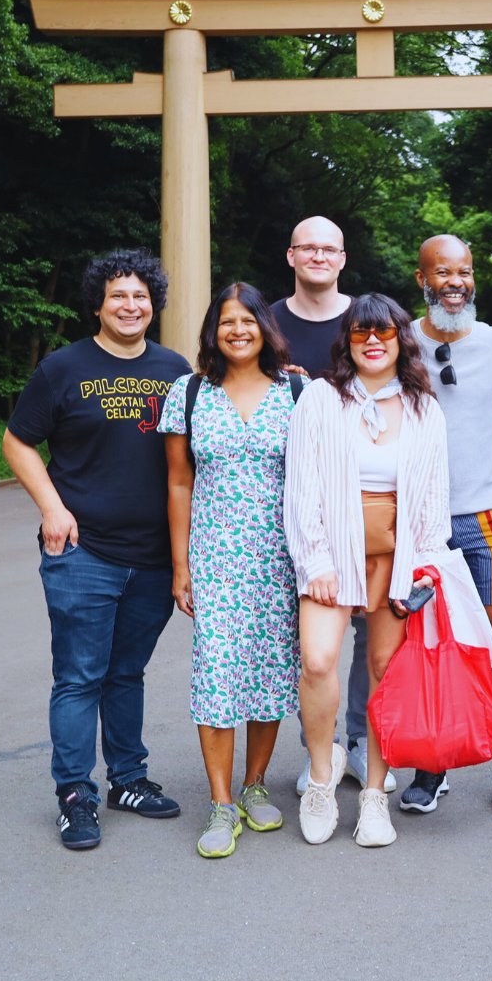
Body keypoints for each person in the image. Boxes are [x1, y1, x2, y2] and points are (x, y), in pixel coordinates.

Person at [1, 248, 187, 850]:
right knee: (80, 676)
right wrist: (52, 508)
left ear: (152, 303)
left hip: (156, 557)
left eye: (140, 296)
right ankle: (75, 793)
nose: (130, 306)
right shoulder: (63, 368)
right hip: (84, 553)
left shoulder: (175, 371)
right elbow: (17, 442)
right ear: (99, 305)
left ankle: (128, 779)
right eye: (118, 296)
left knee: (127, 672)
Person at [285, 293, 450, 847]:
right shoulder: (319, 399)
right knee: (318, 659)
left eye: (383, 333)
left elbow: (432, 496)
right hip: (331, 550)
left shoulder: (425, 407)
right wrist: (315, 560)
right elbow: (302, 485)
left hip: (395, 556)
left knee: (384, 669)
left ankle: (375, 795)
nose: (372, 342)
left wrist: (425, 565)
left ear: (402, 339)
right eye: (361, 333)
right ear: (347, 341)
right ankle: (322, 780)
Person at [159, 283, 302, 858]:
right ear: (212, 332)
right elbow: (177, 481)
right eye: (226, 322)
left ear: (265, 326)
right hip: (214, 557)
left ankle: (254, 785)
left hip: (282, 558)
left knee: (268, 674)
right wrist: (180, 565)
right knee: (217, 675)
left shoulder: (298, 389)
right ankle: (221, 804)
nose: (238, 330)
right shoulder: (190, 392)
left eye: (248, 320)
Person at [403, 234, 492, 818]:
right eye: (442, 271)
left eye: (463, 271)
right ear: (422, 278)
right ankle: (434, 762)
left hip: (485, 513)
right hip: (419, 521)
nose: (454, 281)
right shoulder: (397, 341)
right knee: (429, 645)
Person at [270, 216, 393, 796]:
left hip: (369, 498)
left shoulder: (365, 318)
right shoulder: (266, 323)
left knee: (375, 636)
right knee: (313, 635)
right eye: (308, 248)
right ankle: (318, 748)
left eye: (330, 249)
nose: (319, 256)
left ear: (343, 258)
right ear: (291, 256)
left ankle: (364, 740)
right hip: (293, 496)